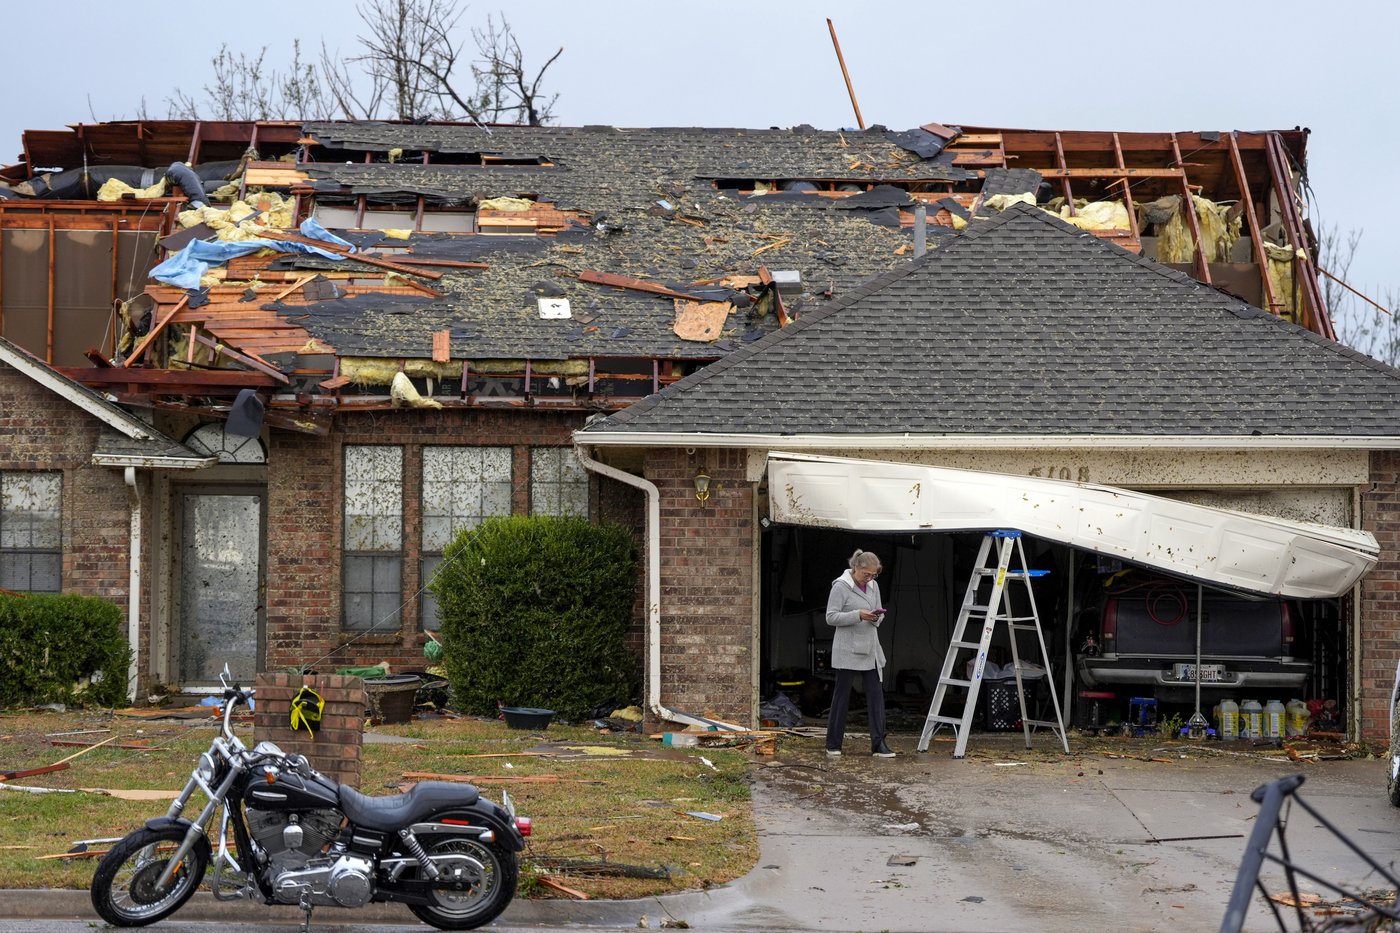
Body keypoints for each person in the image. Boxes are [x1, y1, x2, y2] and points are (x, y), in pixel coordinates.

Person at [825, 549, 895, 758]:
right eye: (867, 574)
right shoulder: (841, 586)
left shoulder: (874, 586)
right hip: (848, 649)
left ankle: (879, 743)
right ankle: (833, 744)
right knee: (842, 696)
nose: (870, 578)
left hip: (870, 648)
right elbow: (831, 617)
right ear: (856, 567)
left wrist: (876, 617)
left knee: (875, 696)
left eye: (874, 575)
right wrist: (858, 615)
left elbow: (878, 611)